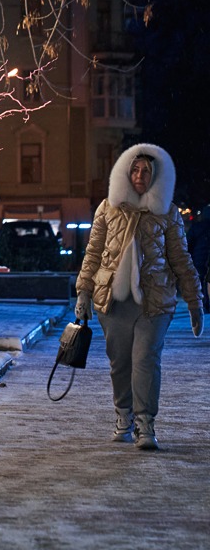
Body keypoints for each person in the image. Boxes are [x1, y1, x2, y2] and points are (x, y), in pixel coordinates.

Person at [74, 143, 204, 450]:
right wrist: (83, 292)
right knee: (120, 363)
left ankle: (146, 424)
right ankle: (124, 415)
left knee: (145, 359)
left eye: (146, 171)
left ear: (156, 176)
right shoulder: (108, 208)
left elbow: (181, 259)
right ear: (125, 171)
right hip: (113, 301)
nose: (140, 175)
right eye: (135, 169)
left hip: (154, 301)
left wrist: (195, 302)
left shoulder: (167, 213)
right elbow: (93, 253)